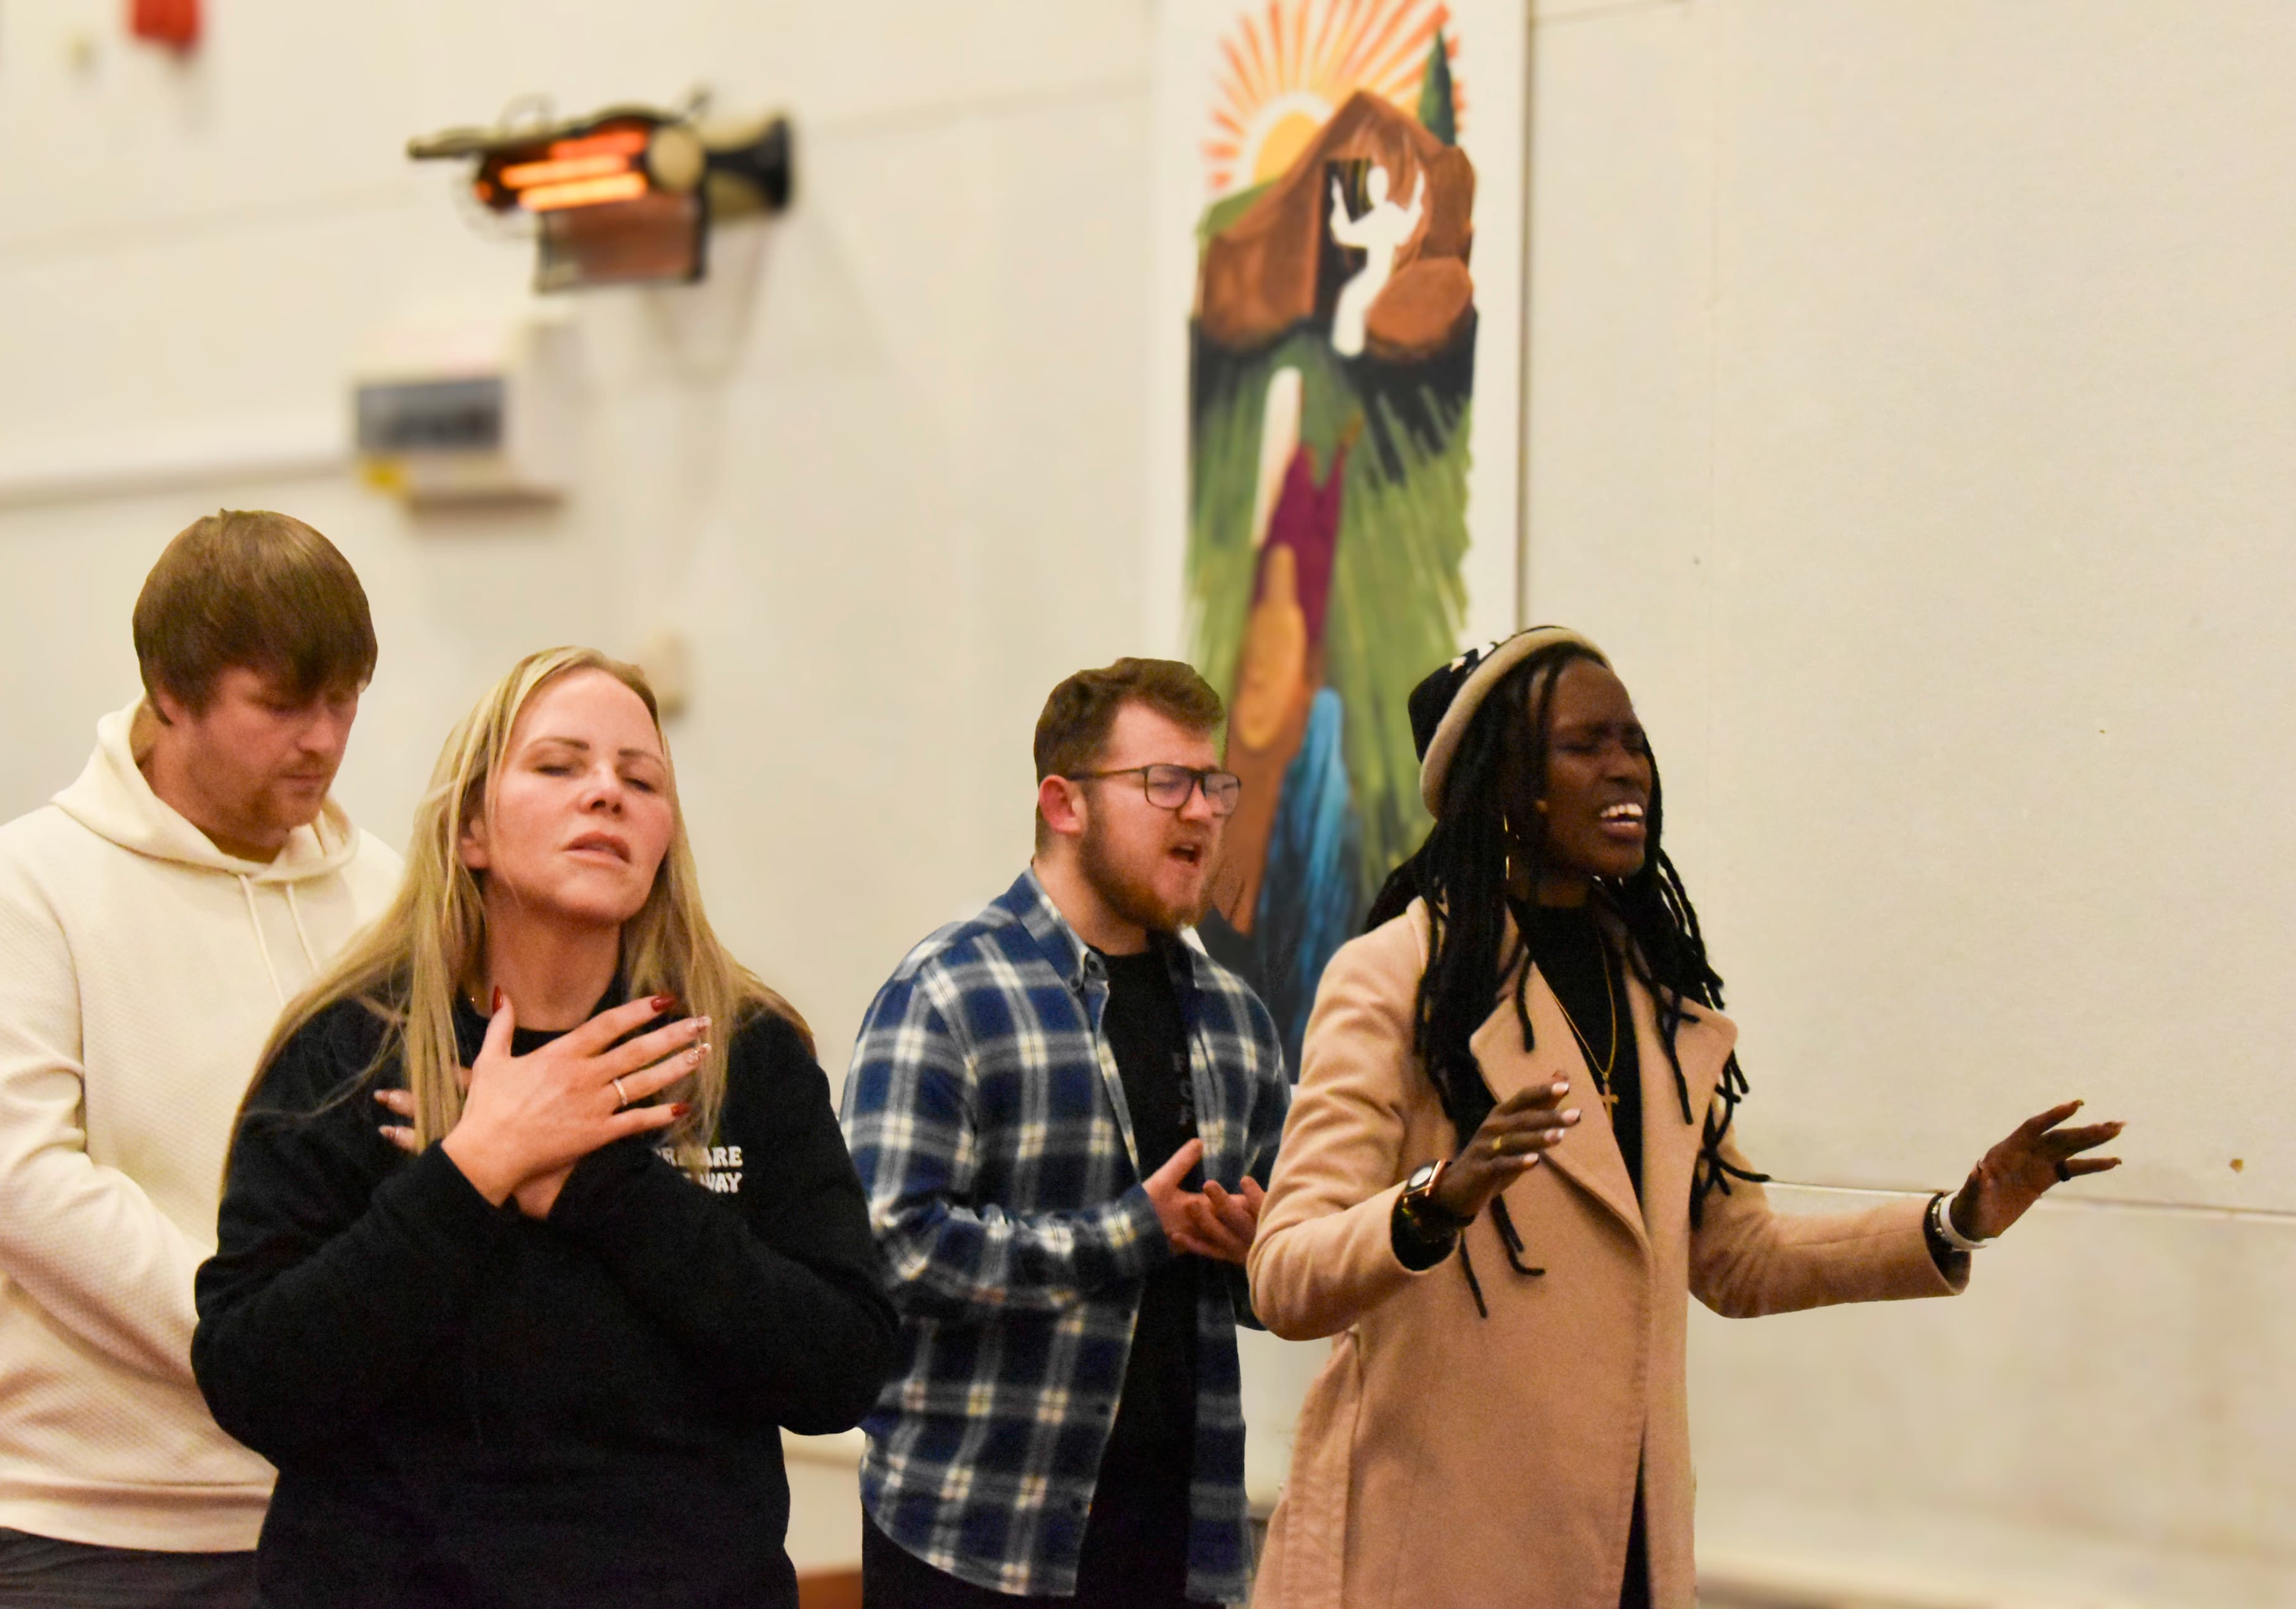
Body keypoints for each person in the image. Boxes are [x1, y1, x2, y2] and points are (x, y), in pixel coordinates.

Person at [1245, 627, 2125, 1609]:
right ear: (1502, 784)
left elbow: (1737, 1259)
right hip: (1432, 1560)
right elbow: (1284, 1277)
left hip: (1625, 1555)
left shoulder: (1662, 1003)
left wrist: (1951, 1222)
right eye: (1586, 746)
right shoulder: (1396, 980)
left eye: (1635, 741)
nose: (1628, 769)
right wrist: (1433, 1205)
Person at [191, 646, 894, 1609]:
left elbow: (839, 1369)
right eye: (559, 766)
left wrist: (598, 1184)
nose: (605, 794)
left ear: (663, 837)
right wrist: (476, 1168)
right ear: (472, 829)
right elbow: (256, 1383)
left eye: (639, 778)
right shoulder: (351, 1049)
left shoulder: (744, 1051)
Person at [0, 511, 397, 1607]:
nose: (322, 739)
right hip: (75, 1528)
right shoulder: (24, 887)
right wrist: (269, 1345)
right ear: (169, 696)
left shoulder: (390, 900)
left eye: (345, 701)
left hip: (338, 1514)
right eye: (280, 706)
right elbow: (20, 1187)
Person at [844, 657, 1291, 1608]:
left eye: (1214, 786)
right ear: (1064, 804)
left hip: (1182, 1546)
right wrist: (1130, 1232)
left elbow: (1273, 1271)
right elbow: (888, 1247)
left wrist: (1260, 1251)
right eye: (1163, 783)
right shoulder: (950, 989)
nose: (1203, 813)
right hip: (975, 1542)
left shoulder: (1237, 1020)